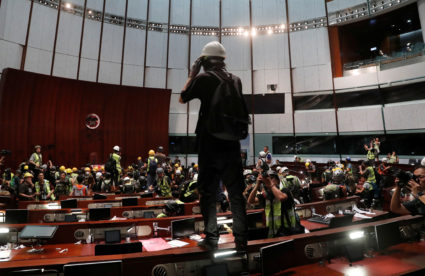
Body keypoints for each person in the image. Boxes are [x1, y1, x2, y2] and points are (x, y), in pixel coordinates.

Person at [179, 41, 247, 251]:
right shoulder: (236, 80)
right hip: (232, 145)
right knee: (236, 194)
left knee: (208, 193)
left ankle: (212, 238)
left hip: (209, 144)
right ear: (223, 60)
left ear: (204, 61)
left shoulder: (203, 78)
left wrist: (192, 73)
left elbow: (183, 98)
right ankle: (241, 241)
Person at [247, 170, 304, 238]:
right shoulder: (266, 195)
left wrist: (270, 184)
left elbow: (281, 197)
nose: (269, 180)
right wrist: (257, 184)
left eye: (271, 178)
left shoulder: (285, 191)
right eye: (268, 179)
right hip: (272, 232)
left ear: (278, 180)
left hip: (288, 232)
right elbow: (251, 201)